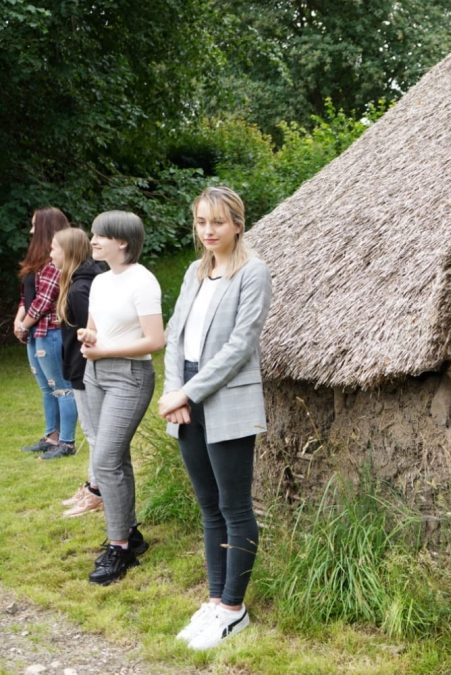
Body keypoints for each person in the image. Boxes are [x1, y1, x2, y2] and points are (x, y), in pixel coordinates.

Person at [159, 186, 272, 650]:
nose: (208, 231)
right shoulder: (192, 272)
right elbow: (174, 335)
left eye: (218, 222)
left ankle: (234, 608)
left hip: (225, 397)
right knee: (208, 509)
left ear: (237, 224)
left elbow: (240, 347)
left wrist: (189, 390)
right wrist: (174, 392)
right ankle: (214, 602)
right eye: (202, 222)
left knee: (234, 507)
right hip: (185, 397)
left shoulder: (253, 272)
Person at [80, 211, 165, 585]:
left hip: (129, 376)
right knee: (115, 458)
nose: (93, 241)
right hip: (95, 372)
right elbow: (99, 329)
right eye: (94, 235)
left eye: (101, 236)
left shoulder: (142, 281)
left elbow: (155, 341)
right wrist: (88, 337)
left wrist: (104, 352)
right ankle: (130, 534)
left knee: (106, 460)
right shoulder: (100, 281)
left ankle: (119, 550)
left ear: (123, 242)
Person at [50, 227, 106, 513]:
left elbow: (94, 331)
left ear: (68, 252)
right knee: (92, 432)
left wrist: (83, 364)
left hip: (85, 368)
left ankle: (98, 491)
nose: (50, 254)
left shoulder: (80, 289)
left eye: (54, 249)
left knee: (95, 433)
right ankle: (92, 485)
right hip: (79, 366)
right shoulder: (77, 282)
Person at [14, 207, 76, 458]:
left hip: (50, 332)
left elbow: (43, 301)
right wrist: (20, 321)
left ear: (45, 229)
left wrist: (24, 324)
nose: (30, 231)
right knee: (46, 388)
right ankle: (51, 437)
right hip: (34, 331)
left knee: (62, 387)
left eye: (33, 226)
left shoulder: (56, 263)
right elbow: (26, 297)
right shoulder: (36, 262)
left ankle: (67, 442)